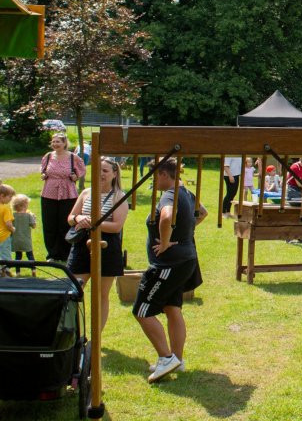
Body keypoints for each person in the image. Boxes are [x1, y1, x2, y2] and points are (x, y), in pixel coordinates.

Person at [134, 158, 207, 383]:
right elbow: (202, 213)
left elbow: (166, 217)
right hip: (185, 260)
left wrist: (166, 242)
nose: (153, 181)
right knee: (172, 307)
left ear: (164, 174)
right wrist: (184, 234)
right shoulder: (185, 192)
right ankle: (177, 359)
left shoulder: (169, 195)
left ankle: (166, 359)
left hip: (169, 264)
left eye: (154, 176)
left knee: (142, 311)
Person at [66, 157, 128, 331]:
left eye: (105, 171)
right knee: (73, 290)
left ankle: (96, 336)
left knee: (101, 295)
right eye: (98, 170)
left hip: (106, 246)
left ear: (115, 174)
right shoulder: (86, 192)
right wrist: (79, 218)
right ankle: (73, 331)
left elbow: (116, 227)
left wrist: (94, 223)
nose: (100, 174)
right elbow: (71, 217)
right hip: (81, 245)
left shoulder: (119, 196)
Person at [40, 133, 85, 263]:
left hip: (68, 193)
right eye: (53, 142)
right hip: (49, 193)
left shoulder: (73, 158)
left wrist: (75, 177)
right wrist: (43, 175)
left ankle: (66, 254)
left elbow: (81, 171)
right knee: (50, 224)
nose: (55, 144)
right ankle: (52, 254)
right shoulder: (48, 156)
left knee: (65, 223)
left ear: (65, 143)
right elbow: (43, 170)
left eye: (58, 142)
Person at [10, 194, 37, 276]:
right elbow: (33, 226)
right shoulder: (29, 215)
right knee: (30, 255)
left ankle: (18, 272)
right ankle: (33, 270)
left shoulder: (13, 216)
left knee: (18, 256)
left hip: (16, 240)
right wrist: (34, 218)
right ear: (24, 205)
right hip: (26, 239)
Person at [0, 184, 15, 277]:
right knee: (5, 254)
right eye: (10, 196)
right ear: (2, 196)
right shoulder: (6, 208)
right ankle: (6, 272)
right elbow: (8, 223)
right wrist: (13, 229)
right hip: (4, 235)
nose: (10, 199)